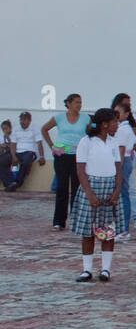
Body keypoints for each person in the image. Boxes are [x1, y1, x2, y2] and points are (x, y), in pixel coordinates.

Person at [69, 108, 123, 282]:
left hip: (109, 185)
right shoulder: (87, 142)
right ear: (104, 124)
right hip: (91, 185)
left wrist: (116, 191)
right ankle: (87, 269)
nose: (117, 125)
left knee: (107, 229)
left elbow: (119, 168)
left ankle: (106, 269)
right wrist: (89, 193)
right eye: (115, 122)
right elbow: (80, 170)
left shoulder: (114, 142)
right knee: (88, 231)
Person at [41, 93, 87, 229]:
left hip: (78, 156)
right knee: (62, 187)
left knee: (77, 187)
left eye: (80, 102)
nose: (79, 105)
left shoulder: (85, 118)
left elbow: (93, 130)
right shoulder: (59, 117)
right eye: (76, 102)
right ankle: (59, 221)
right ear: (68, 103)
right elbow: (44, 129)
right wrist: (51, 145)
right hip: (61, 154)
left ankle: (76, 219)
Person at [111, 102, 136, 235]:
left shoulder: (123, 129)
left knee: (122, 194)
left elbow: (121, 149)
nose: (116, 115)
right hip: (124, 160)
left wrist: (117, 169)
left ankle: (123, 227)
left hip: (122, 161)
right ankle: (122, 226)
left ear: (126, 114)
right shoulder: (124, 128)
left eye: (118, 112)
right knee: (122, 194)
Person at [8, 111, 45, 190]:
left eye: (25, 119)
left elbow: (39, 143)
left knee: (26, 162)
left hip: (29, 152)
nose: (22, 121)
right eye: (21, 119)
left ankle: (17, 183)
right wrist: (13, 156)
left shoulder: (35, 129)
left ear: (29, 120)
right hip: (17, 152)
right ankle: (8, 183)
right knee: (2, 160)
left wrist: (42, 156)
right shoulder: (16, 129)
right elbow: (13, 144)